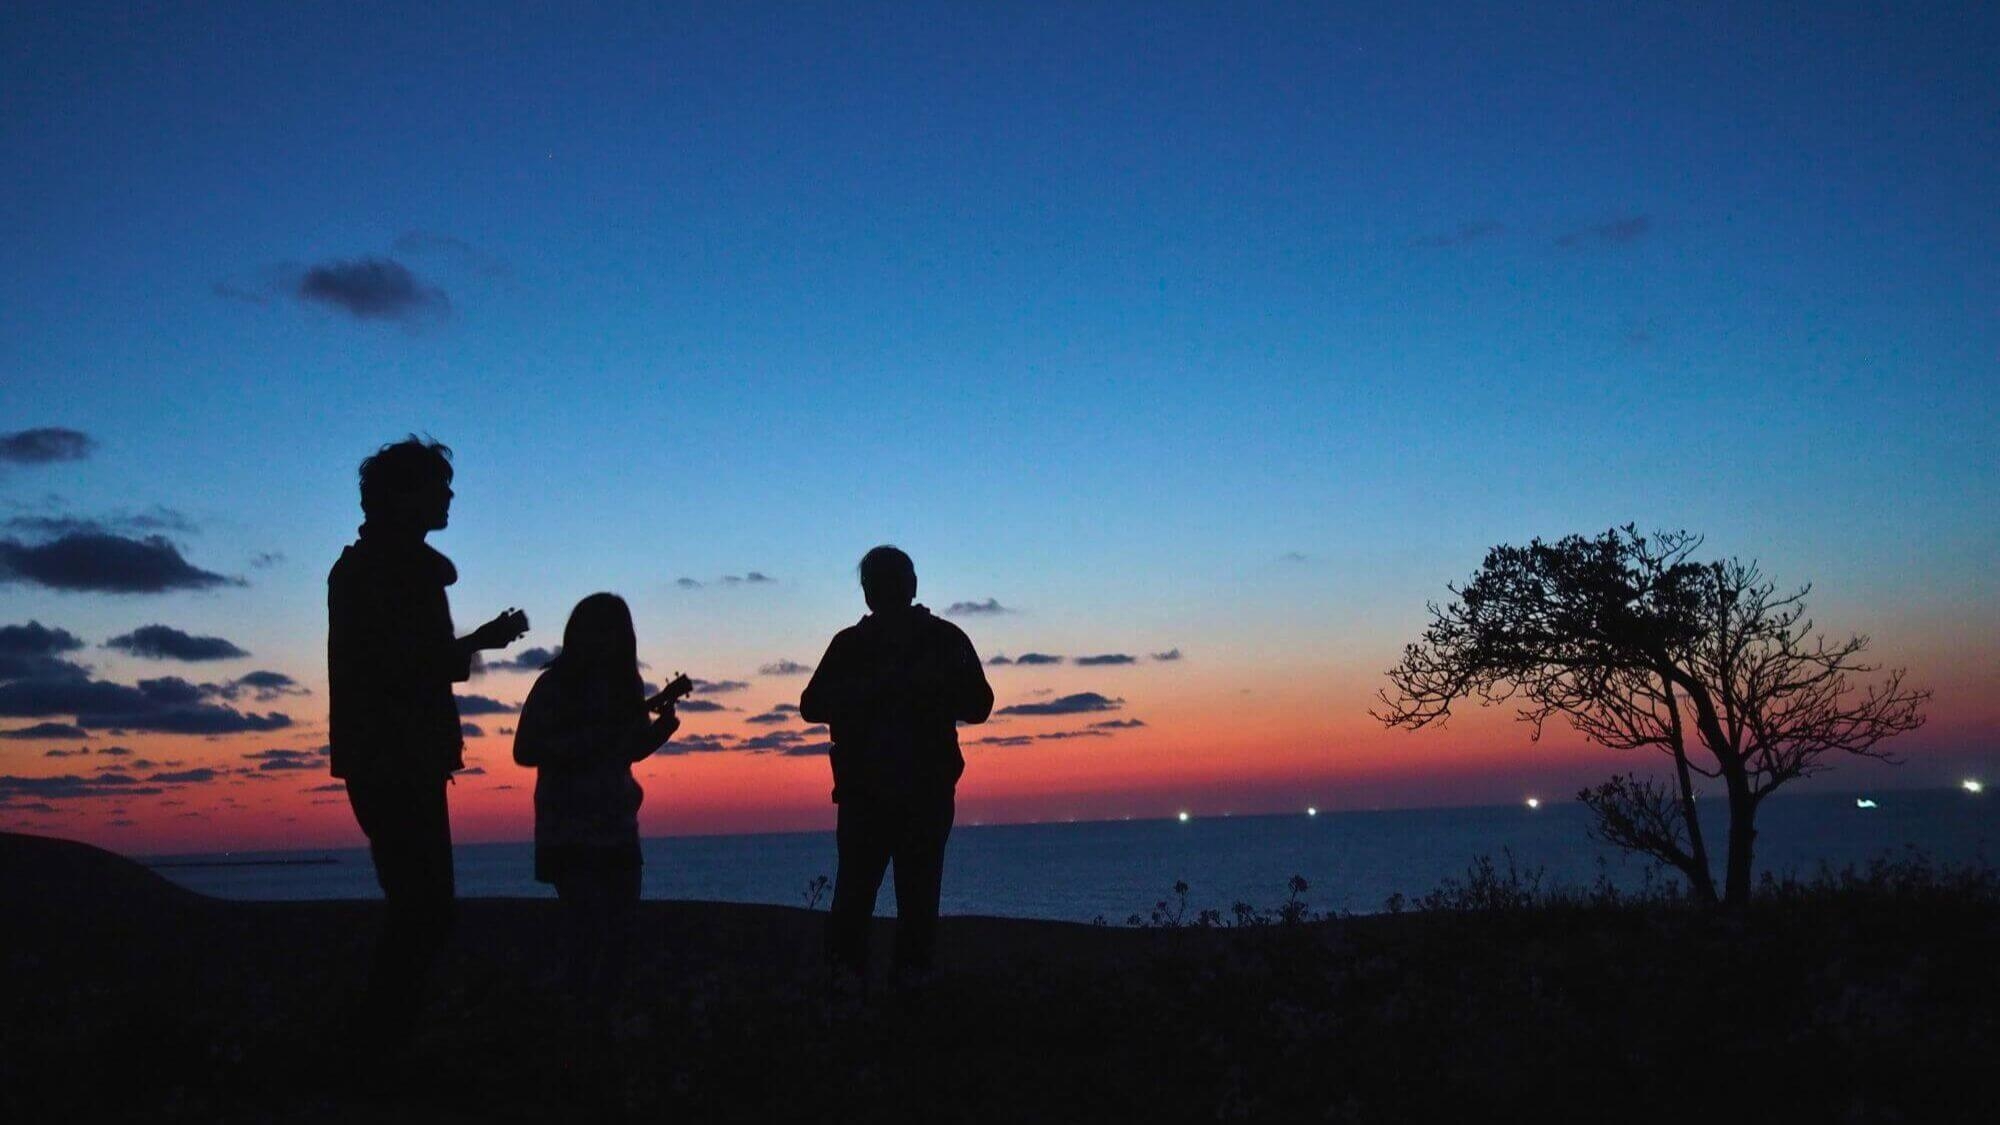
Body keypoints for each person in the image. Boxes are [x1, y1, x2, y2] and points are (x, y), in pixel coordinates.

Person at [327, 436, 529, 1058]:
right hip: (394, 759)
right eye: (436, 486)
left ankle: (383, 1043)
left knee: (421, 907)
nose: (448, 496)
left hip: (395, 757)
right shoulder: (384, 571)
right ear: (401, 495)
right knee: (425, 909)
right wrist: (480, 641)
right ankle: (378, 1048)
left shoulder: (388, 567)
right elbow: (405, 663)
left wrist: (470, 644)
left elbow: (420, 660)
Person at [800, 545, 993, 990]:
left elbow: (978, 704)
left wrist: (927, 690)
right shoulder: (870, 644)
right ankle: (878, 992)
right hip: (883, 796)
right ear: (912, 586)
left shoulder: (933, 641)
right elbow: (812, 706)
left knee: (883, 903)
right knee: (888, 903)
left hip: (900, 796)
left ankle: (859, 994)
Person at [512, 593, 680, 1003]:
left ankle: (598, 1023)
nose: (608, 640)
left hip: (618, 826)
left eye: (615, 631)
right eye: (600, 630)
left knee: (620, 935)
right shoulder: (552, 686)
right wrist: (583, 742)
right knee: (586, 935)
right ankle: (574, 1024)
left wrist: (662, 729)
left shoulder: (627, 686)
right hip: (566, 827)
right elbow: (525, 750)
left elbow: (628, 749)